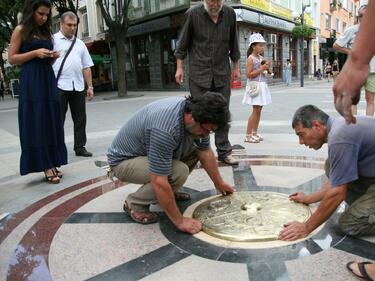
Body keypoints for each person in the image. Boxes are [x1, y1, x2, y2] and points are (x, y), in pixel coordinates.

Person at [107, 92, 235, 234]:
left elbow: (205, 151)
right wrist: (179, 221)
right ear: (193, 117)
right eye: (205, 130)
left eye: (210, 132)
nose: (206, 135)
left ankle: (167, 193)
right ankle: (135, 203)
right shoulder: (165, 129)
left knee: (195, 149)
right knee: (178, 172)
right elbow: (159, 180)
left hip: (147, 155)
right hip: (124, 161)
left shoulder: (197, 117)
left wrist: (219, 183)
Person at [278, 105, 375, 241]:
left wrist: (306, 227)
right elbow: (337, 181)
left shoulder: (340, 137)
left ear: (316, 125)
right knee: (331, 165)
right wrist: (308, 199)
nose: (301, 142)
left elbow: (337, 192)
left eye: (301, 135)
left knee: (350, 223)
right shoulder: (339, 128)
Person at [174, 0, 241, 165]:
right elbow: (182, 45)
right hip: (199, 74)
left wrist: (237, 68)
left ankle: (224, 152)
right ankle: (196, 153)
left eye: (218, 1)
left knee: (222, 114)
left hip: (221, 73)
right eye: (211, 0)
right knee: (198, 115)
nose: (214, 4)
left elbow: (234, 44)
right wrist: (179, 68)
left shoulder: (230, 14)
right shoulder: (193, 14)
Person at [8, 0, 67, 183]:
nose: (44, 17)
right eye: (40, 13)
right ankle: (45, 165)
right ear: (31, 11)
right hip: (31, 81)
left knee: (51, 119)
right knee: (38, 119)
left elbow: (46, 60)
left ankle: (52, 160)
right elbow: (11, 58)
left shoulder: (46, 32)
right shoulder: (21, 30)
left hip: (47, 78)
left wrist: (52, 57)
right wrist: (35, 54)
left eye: (47, 14)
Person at [52, 11, 94, 157]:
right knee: (58, 119)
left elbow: (86, 66)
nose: (72, 28)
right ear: (61, 24)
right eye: (69, 25)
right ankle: (56, 147)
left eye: (75, 25)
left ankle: (80, 147)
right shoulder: (53, 40)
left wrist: (90, 86)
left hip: (77, 86)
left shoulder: (80, 44)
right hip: (59, 86)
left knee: (80, 118)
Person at [333, 0, 375, 124]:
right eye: (360, 15)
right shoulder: (352, 30)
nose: (362, 18)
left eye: (365, 15)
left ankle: (368, 124)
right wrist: (352, 53)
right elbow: (336, 45)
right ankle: (352, 127)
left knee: (370, 100)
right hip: (355, 71)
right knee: (351, 99)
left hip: (372, 71)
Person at [242, 33, 272, 143]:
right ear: (253, 46)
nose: (262, 47)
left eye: (263, 45)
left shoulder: (261, 58)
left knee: (259, 110)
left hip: (262, 85)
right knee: (255, 110)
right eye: (260, 45)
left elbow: (265, 73)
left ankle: (254, 133)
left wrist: (267, 69)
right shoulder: (251, 58)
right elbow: (249, 74)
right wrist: (261, 68)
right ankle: (248, 135)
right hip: (255, 86)